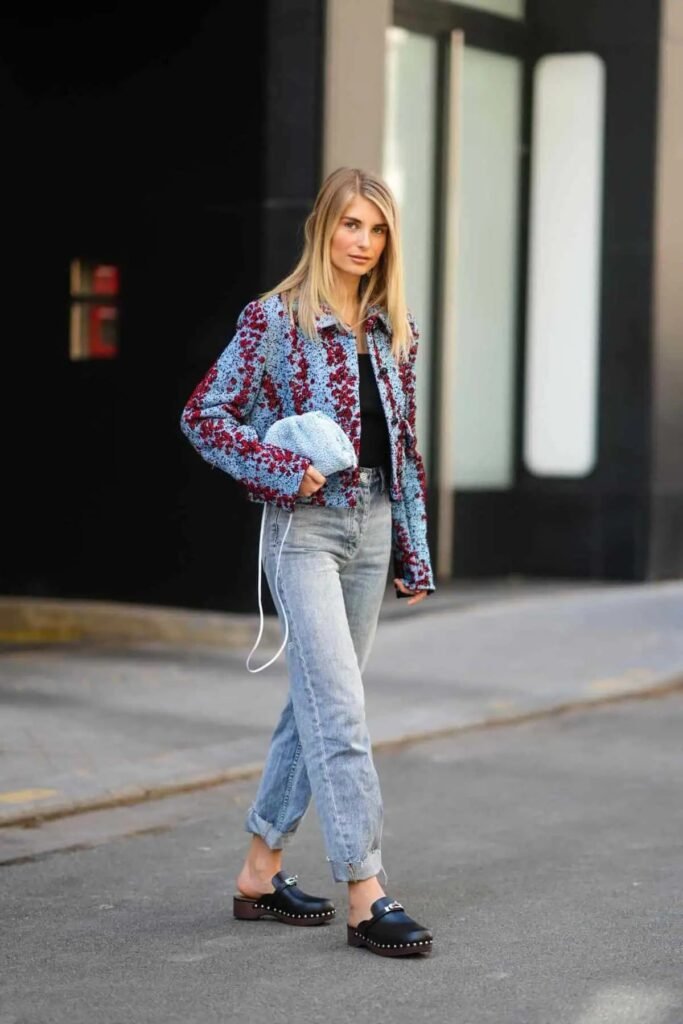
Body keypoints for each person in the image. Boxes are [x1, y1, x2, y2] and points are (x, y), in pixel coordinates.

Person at [180, 166, 436, 958]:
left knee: (321, 704)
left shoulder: (394, 328)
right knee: (342, 713)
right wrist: (281, 469)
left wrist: (413, 550)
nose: (362, 242)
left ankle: (259, 872)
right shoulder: (273, 320)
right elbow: (203, 415)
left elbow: (404, 450)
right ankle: (367, 891)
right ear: (322, 227)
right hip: (304, 531)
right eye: (350, 224)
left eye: (377, 228)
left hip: (372, 524)